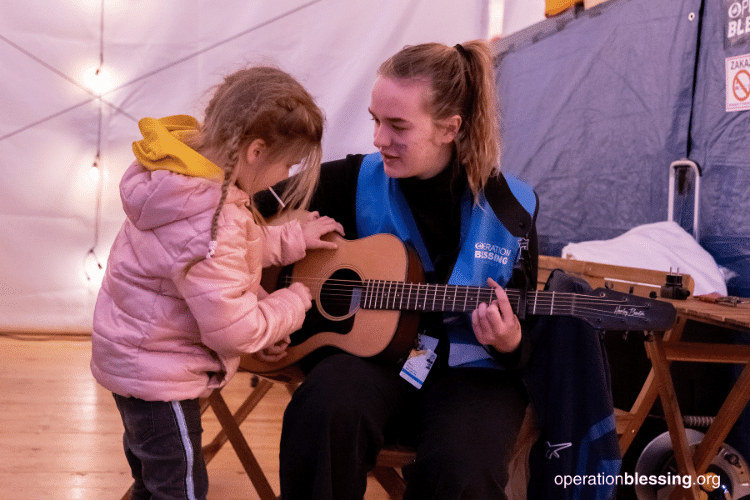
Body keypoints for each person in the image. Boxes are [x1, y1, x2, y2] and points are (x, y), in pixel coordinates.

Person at [258, 40, 621, 500]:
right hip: (374, 365)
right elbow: (238, 214)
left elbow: (524, 333)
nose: (377, 140)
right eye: (375, 120)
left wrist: (509, 341)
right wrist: (260, 311)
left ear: (450, 128)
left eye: (397, 126)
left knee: (463, 467)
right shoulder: (352, 179)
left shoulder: (511, 208)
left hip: (473, 376)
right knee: (322, 408)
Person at [90, 66, 343, 500]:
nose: (284, 175)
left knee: (153, 485)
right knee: (181, 491)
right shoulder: (211, 218)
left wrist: (290, 239)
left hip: (135, 360)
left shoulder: (183, 181)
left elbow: (223, 255)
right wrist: (292, 302)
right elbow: (237, 328)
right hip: (161, 378)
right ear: (255, 150)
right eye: (286, 163)